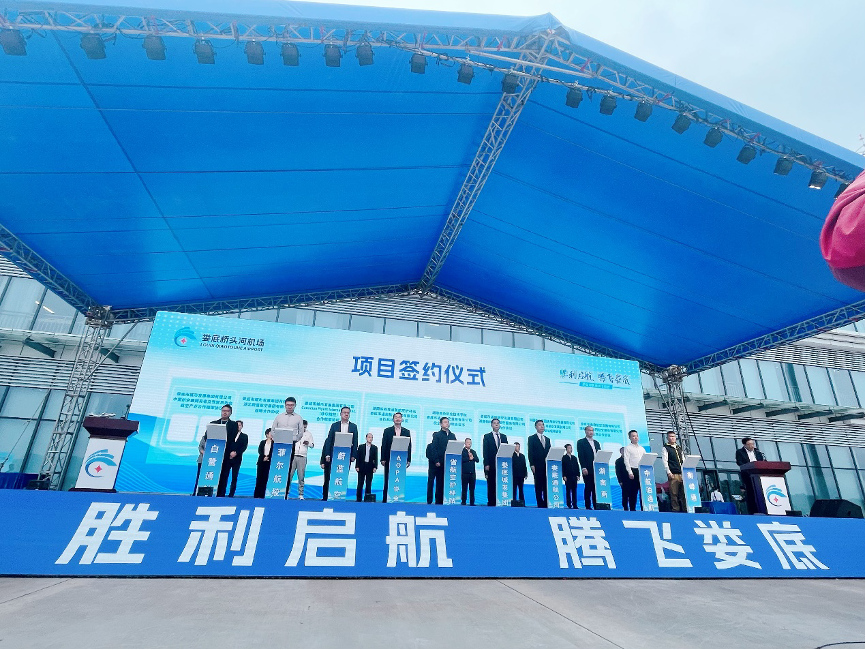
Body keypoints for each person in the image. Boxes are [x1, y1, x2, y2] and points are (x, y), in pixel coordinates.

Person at [321, 406, 359, 501]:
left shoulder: (353, 426)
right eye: (344, 412)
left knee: (343, 476)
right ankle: (325, 497)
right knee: (329, 477)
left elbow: (355, 442)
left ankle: (340, 496)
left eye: (348, 413)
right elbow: (329, 440)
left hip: (346, 456)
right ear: (341, 414)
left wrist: (353, 455)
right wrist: (327, 454)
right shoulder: (334, 425)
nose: (346, 414)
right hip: (334, 455)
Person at [381, 412, 411, 503]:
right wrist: (382, 458)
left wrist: (408, 459)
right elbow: (384, 445)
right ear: (393, 419)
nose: (398, 419)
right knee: (388, 479)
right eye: (396, 417)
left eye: (399, 417)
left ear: (402, 419)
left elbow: (409, 446)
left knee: (399, 478)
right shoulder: (387, 431)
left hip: (401, 459)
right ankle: (385, 499)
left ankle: (398, 498)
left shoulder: (406, 431)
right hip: (389, 458)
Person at [212, 404, 239, 497]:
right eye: (223, 410)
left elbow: (233, 439)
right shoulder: (214, 423)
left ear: (230, 413)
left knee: (224, 475)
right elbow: (207, 436)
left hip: (226, 454)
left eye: (227, 411)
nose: (225, 412)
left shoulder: (233, 425)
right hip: (214, 453)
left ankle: (221, 494)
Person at [218, 417, 248, 498]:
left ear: (242, 426)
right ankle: (222, 493)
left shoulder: (244, 436)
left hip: (237, 459)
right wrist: (229, 453)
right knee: (224, 476)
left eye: (239, 425)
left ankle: (231, 494)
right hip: (227, 458)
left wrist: (236, 453)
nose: (238, 427)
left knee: (234, 477)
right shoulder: (229, 435)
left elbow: (244, 447)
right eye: (236, 425)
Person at [736, 436, 766, 514]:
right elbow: (739, 462)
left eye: (753, 444)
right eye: (749, 444)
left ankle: (764, 510)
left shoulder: (758, 452)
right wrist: (749, 466)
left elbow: (762, 462)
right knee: (750, 493)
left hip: (759, 475)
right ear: (744, 445)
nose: (752, 446)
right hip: (748, 475)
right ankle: (752, 511)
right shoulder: (740, 452)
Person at [430, 416, 456, 505]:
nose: (447, 423)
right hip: (440, 463)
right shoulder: (437, 435)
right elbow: (434, 448)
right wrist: (436, 460)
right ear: (441, 424)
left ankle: (448, 500)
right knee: (440, 483)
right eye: (445, 422)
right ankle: (438, 502)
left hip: (450, 463)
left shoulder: (452, 435)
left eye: (448, 422)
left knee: (448, 483)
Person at [482, 418, 508, 506]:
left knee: (501, 483)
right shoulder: (487, 436)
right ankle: (491, 501)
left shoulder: (504, 437)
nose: (496, 424)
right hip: (491, 464)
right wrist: (486, 464)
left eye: (498, 423)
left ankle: (500, 500)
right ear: (491, 425)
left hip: (502, 465)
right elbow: (485, 451)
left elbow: (506, 450)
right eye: (494, 423)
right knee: (491, 483)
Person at [287, 420, 314, 499]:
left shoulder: (308, 434)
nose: (304, 428)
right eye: (303, 426)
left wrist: (308, 443)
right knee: (289, 475)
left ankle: (301, 494)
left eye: (305, 427)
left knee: (301, 476)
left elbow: (312, 445)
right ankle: (286, 493)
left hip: (302, 456)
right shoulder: (294, 433)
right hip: (293, 456)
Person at [527, 419, 551, 508]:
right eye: (540, 425)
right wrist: (532, 464)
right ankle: (540, 503)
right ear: (536, 427)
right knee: (538, 485)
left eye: (543, 425)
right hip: (537, 465)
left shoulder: (547, 439)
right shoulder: (532, 438)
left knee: (546, 485)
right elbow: (530, 452)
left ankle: (546, 502)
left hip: (547, 466)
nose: (542, 426)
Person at [576, 425, 601, 509]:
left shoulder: (596, 443)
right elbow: (581, 456)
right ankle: (587, 505)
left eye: (592, 430)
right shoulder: (581, 442)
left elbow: (599, 454)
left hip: (596, 468)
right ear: (585, 431)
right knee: (588, 487)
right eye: (589, 430)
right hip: (587, 468)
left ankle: (596, 505)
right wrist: (583, 467)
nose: (591, 432)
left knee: (595, 488)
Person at [661, 431, 686, 513]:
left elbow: (683, 460)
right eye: (670, 436)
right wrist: (668, 472)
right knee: (674, 493)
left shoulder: (679, 448)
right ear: (667, 438)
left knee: (683, 493)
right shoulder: (666, 448)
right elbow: (665, 461)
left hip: (682, 473)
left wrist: (684, 471)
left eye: (673, 436)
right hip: (673, 473)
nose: (672, 438)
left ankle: (685, 509)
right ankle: (676, 509)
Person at [622, 430, 643, 511]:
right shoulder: (628, 448)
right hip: (633, 470)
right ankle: (632, 509)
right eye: (633, 436)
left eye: (636, 436)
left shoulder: (642, 448)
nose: (635, 437)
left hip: (641, 471)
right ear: (630, 438)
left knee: (642, 491)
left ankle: (644, 508)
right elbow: (626, 461)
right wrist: (630, 472)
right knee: (633, 492)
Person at [355, 432, 378, 502]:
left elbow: (376, 458)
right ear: (366, 438)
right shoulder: (361, 447)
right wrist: (357, 466)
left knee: (368, 483)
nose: (370, 439)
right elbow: (358, 457)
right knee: (360, 483)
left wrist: (375, 467)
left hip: (370, 467)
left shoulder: (374, 448)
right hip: (362, 466)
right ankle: (358, 498)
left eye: (371, 437)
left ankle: (367, 498)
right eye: (369, 437)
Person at [254, 428, 273, 498]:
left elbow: (273, 452)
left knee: (265, 479)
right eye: (270, 433)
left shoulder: (274, 443)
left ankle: (262, 495)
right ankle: (256, 495)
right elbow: (260, 450)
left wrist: (268, 457)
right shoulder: (262, 442)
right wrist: (263, 457)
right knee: (259, 478)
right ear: (267, 434)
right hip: (261, 462)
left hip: (268, 463)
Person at [461, 437, 479, 505]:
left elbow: (477, 460)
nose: (469, 444)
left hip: (472, 473)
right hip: (465, 472)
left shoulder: (473, 451)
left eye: (470, 443)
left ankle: (472, 502)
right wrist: (469, 458)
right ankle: (463, 501)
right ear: (465, 443)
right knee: (464, 488)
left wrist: (473, 457)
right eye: (468, 443)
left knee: (472, 488)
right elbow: (461, 459)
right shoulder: (462, 451)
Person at [562, 443, 580, 510]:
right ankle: (569, 504)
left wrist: (578, 475)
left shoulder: (574, 458)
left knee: (574, 491)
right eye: (569, 448)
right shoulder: (564, 458)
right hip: (568, 476)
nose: (570, 449)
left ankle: (575, 504)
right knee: (568, 490)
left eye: (571, 448)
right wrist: (564, 475)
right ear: (566, 449)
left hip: (574, 476)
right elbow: (563, 467)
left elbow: (577, 466)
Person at [193, 431, 207, 495]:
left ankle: (205, 492)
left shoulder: (215, 440)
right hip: (202, 460)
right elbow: (200, 447)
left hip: (211, 462)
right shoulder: (204, 438)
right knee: (199, 476)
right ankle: (196, 492)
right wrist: (203, 452)